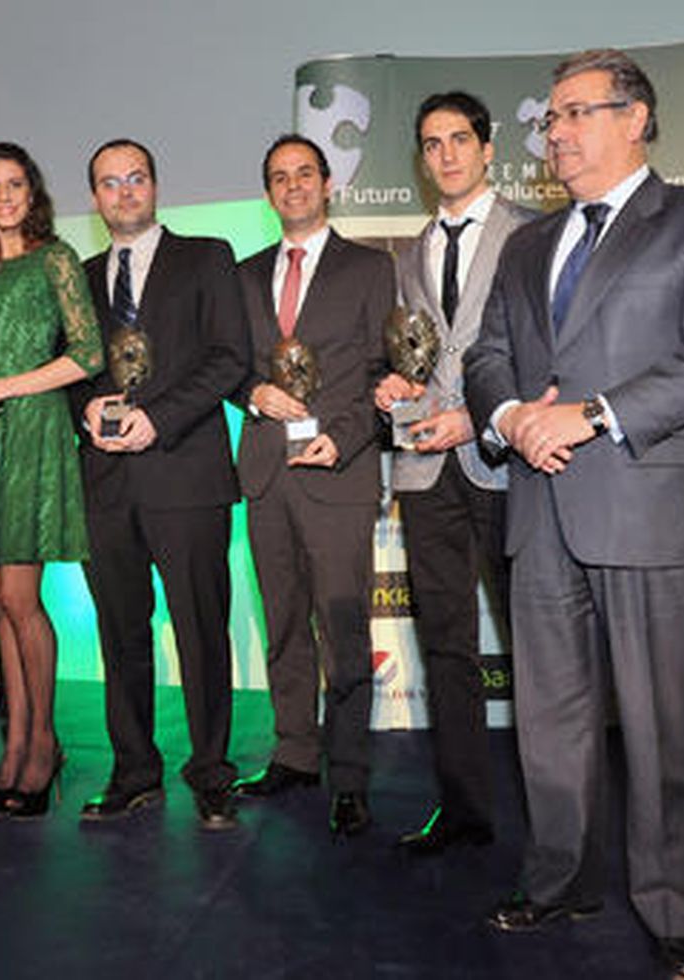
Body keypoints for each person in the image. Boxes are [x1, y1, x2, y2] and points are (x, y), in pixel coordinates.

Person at [463, 50, 684, 978]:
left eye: (575, 113)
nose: (554, 132)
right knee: (549, 720)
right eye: (548, 119)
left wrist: (588, 416)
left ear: (636, 118)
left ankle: (676, 910)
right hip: (541, 505)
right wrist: (514, 418)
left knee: (663, 720)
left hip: (654, 504)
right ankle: (558, 879)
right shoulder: (523, 246)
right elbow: (487, 358)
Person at [72, 139, 250, 831]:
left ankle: (211, 774)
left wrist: (158, 420)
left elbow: (230, 357)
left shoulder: (206, 258)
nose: (123, 192)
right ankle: (134, 772)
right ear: (95, 198)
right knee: (119, 634)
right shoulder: (80, 278)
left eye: (135, 179)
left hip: (186, 474)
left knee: (202, 630)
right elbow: (72, 367)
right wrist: (86, 402)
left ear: (155, 185)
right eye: (109, 183)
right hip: (106, 483)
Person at [375, 92, 534, 856]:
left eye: (460, 139)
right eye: (432, 143)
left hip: (505, 462)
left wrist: (479, 418)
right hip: (424, 470)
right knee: (445, 643)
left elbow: (547, 358)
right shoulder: (410, 253)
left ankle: (551, 820)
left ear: (487, 146)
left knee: (534, 645)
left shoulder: (531, 234)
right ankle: (465, 811)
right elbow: (416, 355)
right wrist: (395, 386)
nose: (446, 155)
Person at [229, 134, 395, 837]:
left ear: (328, 185)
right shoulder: (242, 275)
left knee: (344, 627)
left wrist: (348, 435)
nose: (292, 186)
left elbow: (385, 368)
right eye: (278, 177)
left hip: (338, 469)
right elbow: (227, 363)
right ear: (268, 193)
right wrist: (253, 392)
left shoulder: (371, 267)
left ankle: (350, 774)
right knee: (284, 622)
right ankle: (295, 751)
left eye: (304, 174)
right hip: (268, 472)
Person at [0, 142, 102, 819]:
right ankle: (17, 744)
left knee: (23, 597)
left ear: (32, 191)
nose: (5, 197)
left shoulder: (56, 259)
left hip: (32, 433)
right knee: (1, 598)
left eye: (15, 184)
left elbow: (87, 352)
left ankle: (43, 743)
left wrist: (3, 387)